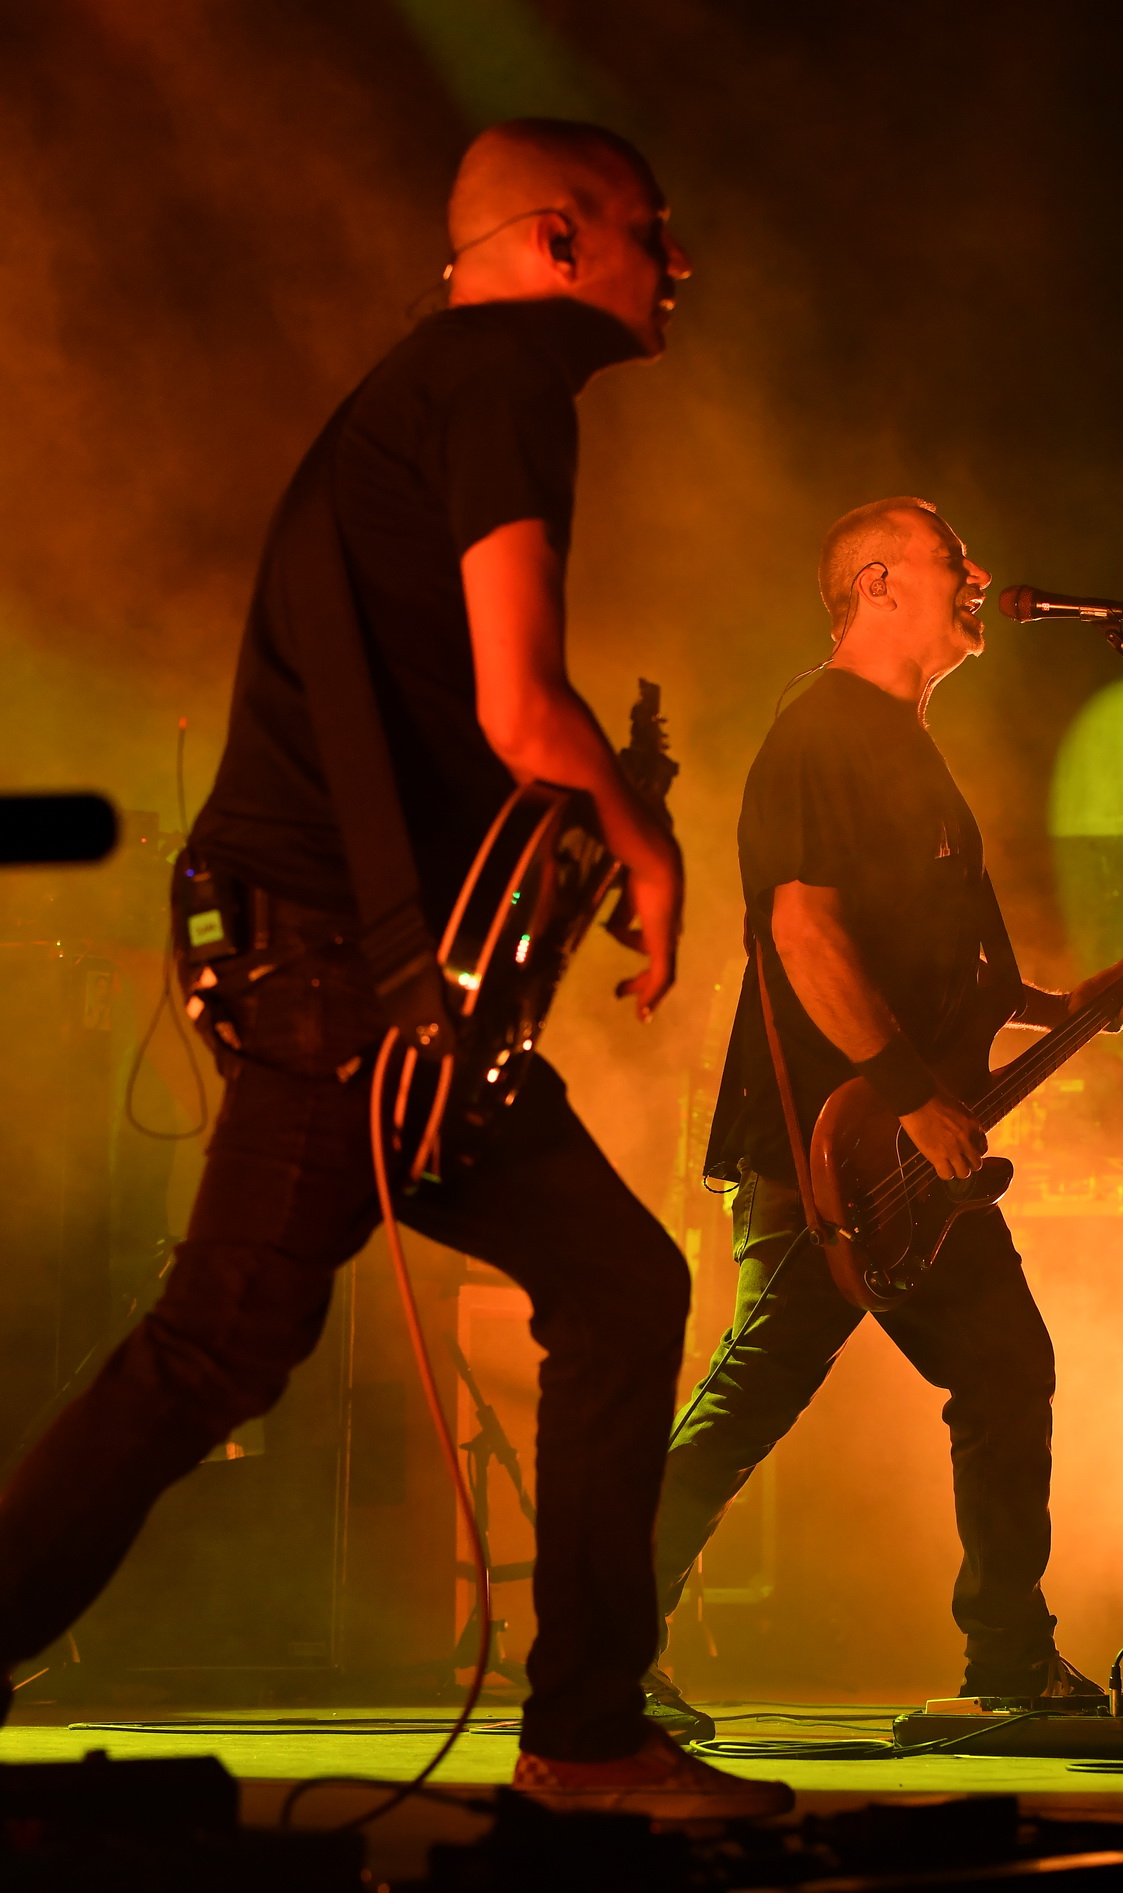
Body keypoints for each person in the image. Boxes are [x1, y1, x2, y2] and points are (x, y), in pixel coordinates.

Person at [0, 118, 790, 1819]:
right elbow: (519, 704)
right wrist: (642, 844)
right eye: (654, 228)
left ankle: (585, 1728)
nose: (679, 265)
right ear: (561, 240)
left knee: (614, 1286)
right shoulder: (502, 379)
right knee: (214, 1346)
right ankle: (584, 1733)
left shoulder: (424, 389)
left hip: (357, 968)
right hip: (339, 977)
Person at [644, 496, 1123, 1741]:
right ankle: (595, 1648)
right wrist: (916, 1098)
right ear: (876, 584)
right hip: (823, 1144)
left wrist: (1057, 1008)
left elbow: (935, 972)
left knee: (1003, 1365)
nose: (978, 577)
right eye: (950, 560)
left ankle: (1007, 1662)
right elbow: (803, 934)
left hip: (909, 1147)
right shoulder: (821, 731)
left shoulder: (904, 748)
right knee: (755, 1391)